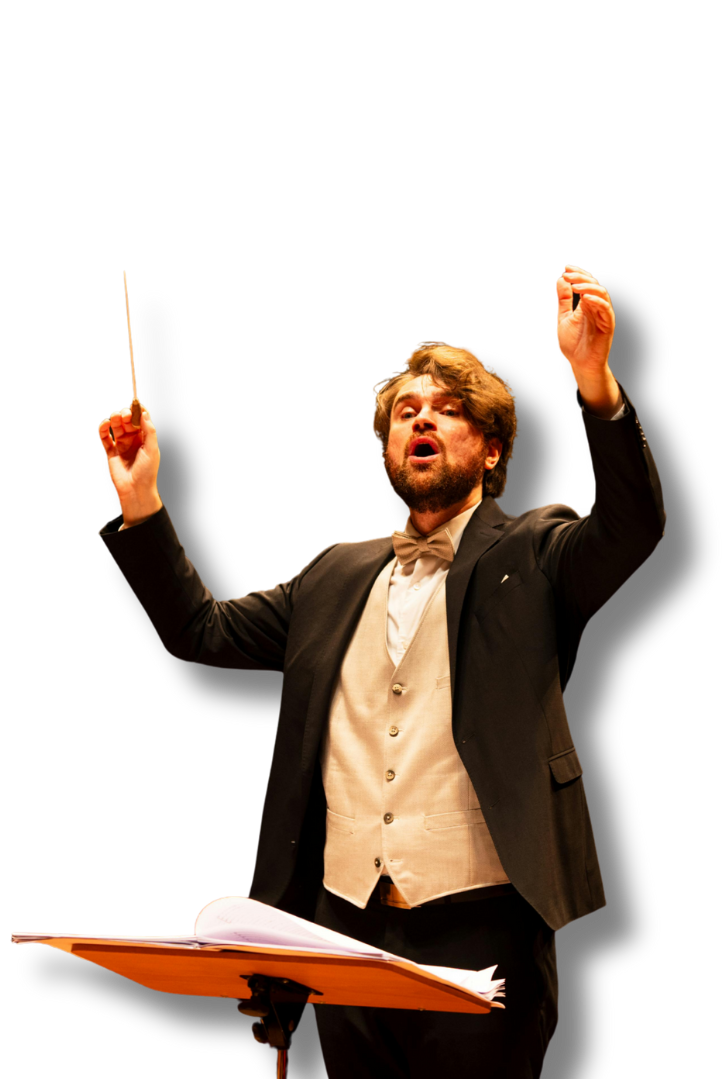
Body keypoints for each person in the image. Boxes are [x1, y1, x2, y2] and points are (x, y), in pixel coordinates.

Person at [97, 267, 666, 1078]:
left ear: (492, 446)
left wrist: (593, 381)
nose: (421, 419)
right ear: (387, 445)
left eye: (448, 409)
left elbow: (633, 525)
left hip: (485, 923)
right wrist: (144, 501)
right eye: (406, 411)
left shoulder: (535, 550)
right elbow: (200, 630)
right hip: (341, 929)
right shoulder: (335, 572)